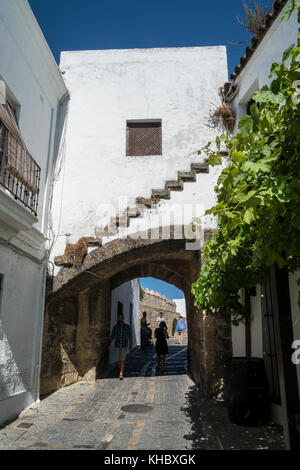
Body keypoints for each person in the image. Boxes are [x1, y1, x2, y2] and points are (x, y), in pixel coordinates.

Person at [108, 312, 132, 380]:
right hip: (117, 345)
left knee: (122, 360)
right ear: (118, 319)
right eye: (119, 318)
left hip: (124, 345)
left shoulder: (127, 327)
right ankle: (120, 369)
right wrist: (109, 344)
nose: (120, 319)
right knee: (118, 360)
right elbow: (112, 336)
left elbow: (130, 337)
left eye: (121, 318)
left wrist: (130, 345)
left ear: (123, 318)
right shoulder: (115, 327)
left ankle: (121, 373)